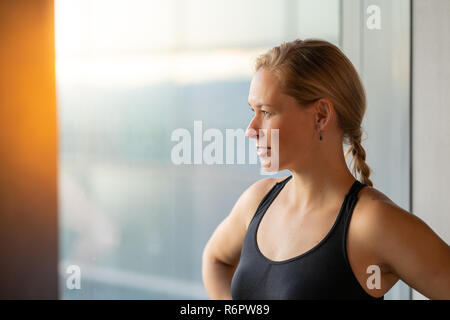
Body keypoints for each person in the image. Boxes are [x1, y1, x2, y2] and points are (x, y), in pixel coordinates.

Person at [201, 39, 450, 300]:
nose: (251, 130)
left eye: (266, 112)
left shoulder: (372, 223)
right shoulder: (257, 201)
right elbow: (215, 260)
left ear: (320, 115)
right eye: (253, 111)